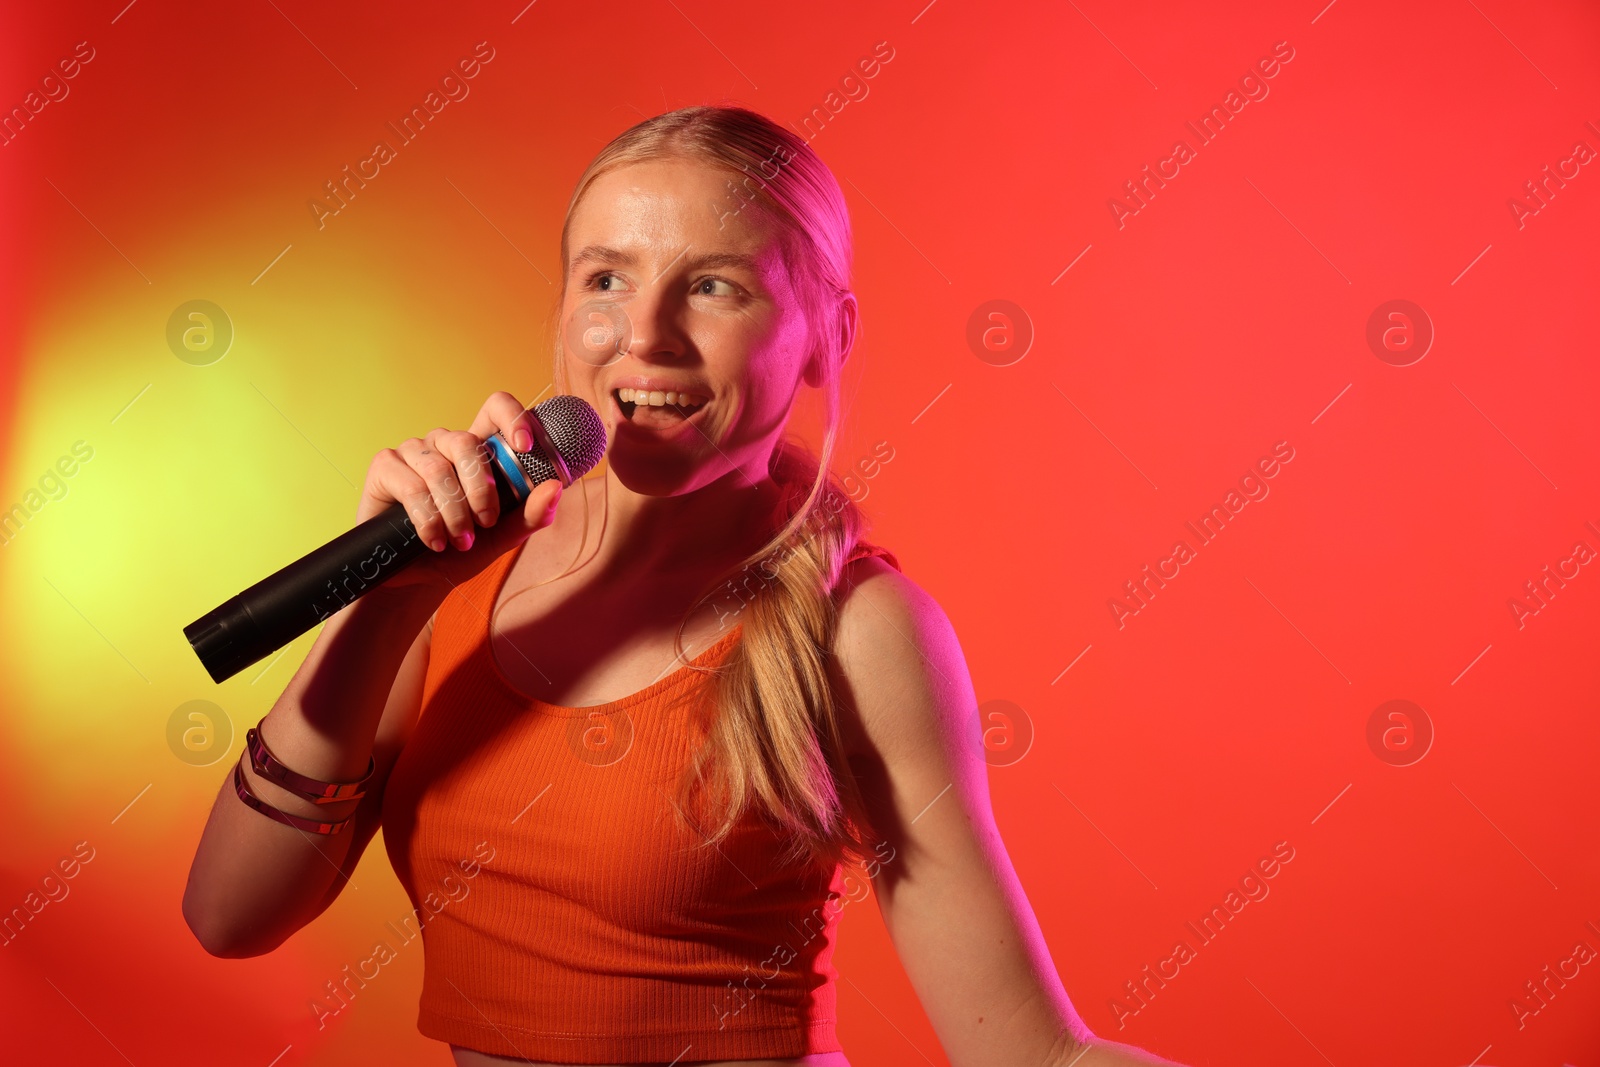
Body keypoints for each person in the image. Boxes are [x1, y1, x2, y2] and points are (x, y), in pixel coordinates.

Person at [183, 105, 1186, 1067]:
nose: (646, 333)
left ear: (825, 337)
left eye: (715, 287)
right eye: (607, 279)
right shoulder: (450, 571)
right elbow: (230, 915)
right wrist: (387, 596)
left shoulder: (861, 630)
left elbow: (1031, 1050)